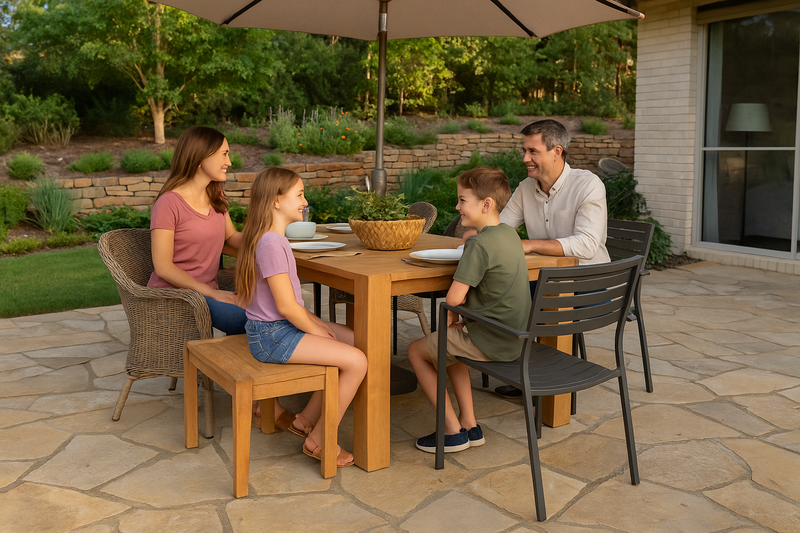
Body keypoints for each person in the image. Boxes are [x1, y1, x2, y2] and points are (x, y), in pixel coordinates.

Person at [148, 126, 293, 428]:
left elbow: (232, 239)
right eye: (224, 153)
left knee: (269, 307)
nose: (230, 160)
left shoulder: (215, 196)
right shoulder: (168, 204)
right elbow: (163, 266)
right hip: (178, 296)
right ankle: (263, 401)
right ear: (201, 157)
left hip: (207, 292)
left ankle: (261, 394)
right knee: (255, 319)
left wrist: (273, 235)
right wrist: (212, 293)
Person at [236, 166, 368, 467]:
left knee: (358, 340)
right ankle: (320, 439)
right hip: (272, 335)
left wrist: (319, 324)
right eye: (299, 194)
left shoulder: (272, 239)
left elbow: (290, 303)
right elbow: (285, 307)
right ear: (276, 201)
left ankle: (305, 420)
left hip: (279, 328)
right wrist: (318, 332)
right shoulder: (271, 242)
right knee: (356, 360)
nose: (305, 201)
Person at [407, 166, 531, 453]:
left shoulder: (479, 245)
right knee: (452, 344)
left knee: (417, 351)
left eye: (462, 200)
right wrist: (470, 239)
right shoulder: (509, 235)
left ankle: (450, 430)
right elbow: (480, 246)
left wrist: (451, 316)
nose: (457, 206)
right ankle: (470, 423)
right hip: (513, 338)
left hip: (488, 341)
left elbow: (454, 297)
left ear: (485, 204)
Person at [494, 118, 610, 398]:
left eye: (533, 151)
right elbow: (501, 228)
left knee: (512, 299)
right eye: (525, 151)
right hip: (546, 280)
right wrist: (479, 232)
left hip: (588, 283)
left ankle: (538, 377)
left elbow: (586, 245)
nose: (525, 158)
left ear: (556, 152)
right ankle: (523, 369)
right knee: (498, 291)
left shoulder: (588, 185)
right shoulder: (525, 188)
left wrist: (531, 244)